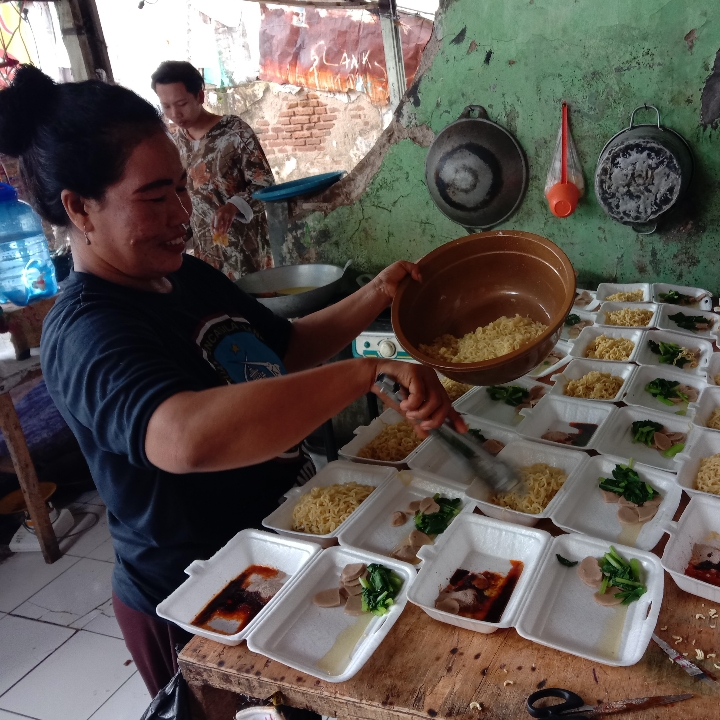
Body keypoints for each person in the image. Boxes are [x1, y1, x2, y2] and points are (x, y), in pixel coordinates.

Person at [0, 66, 465, 698]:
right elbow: (182, 436)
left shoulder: (186, 276)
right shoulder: (88, 332)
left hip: (281, 547)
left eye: (181, 191)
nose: (181, 216)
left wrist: (376, 293)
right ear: (80, 207)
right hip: (201, 597)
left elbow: (285, 350)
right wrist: (364, 373)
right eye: (155, 197)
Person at [151, 60, 273, 280]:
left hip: (246, 251)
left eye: (181, 103)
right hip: (205, 256)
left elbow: (265, 185)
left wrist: (233, 206)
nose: (174, 114)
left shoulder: (234, 132)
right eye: (166, 106)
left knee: (254, 309)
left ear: (200, 96)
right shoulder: (175, 145)